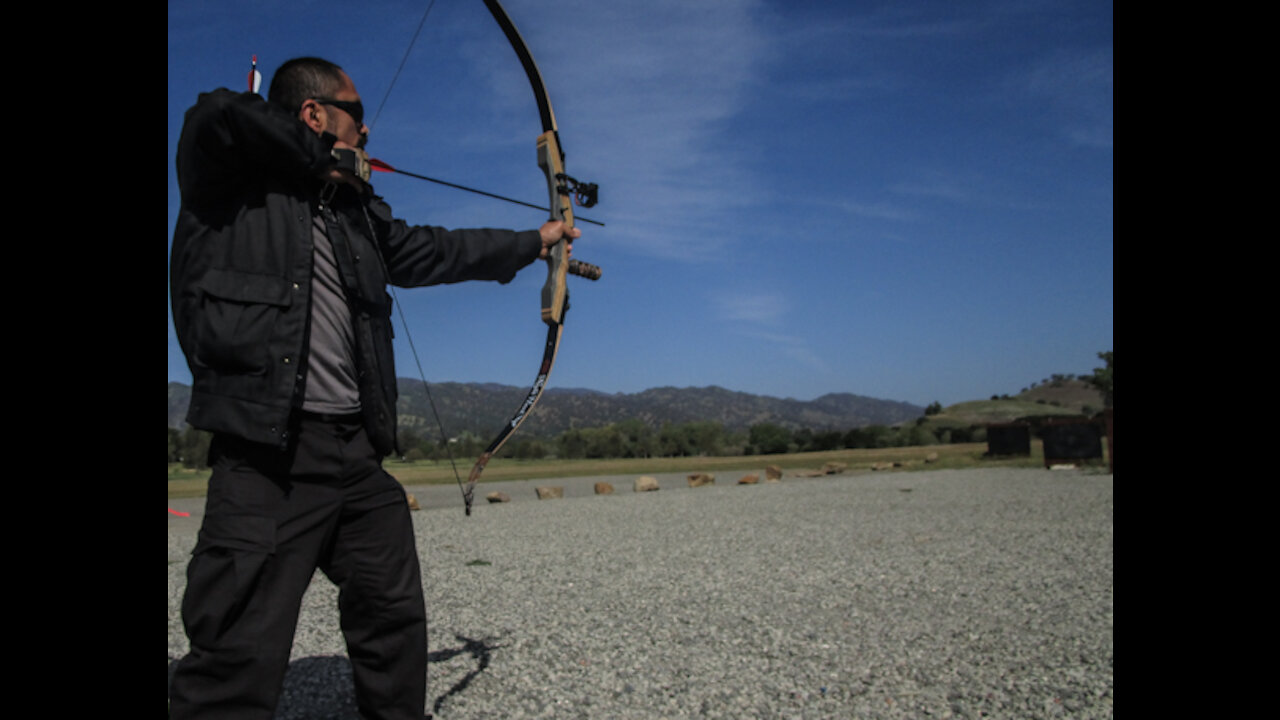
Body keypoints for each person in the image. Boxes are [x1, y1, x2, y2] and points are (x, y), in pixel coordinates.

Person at [168, 56, 579, 720]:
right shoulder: (229, 181)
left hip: (355, 456)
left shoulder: (352, 213)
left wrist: (535, 240)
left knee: (393, 619)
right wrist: (314, 157)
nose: (367, 133)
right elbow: (215, 115)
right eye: (358, 118)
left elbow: (434, 250)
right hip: (266, 453)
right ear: (315, 114)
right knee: (235, 655)